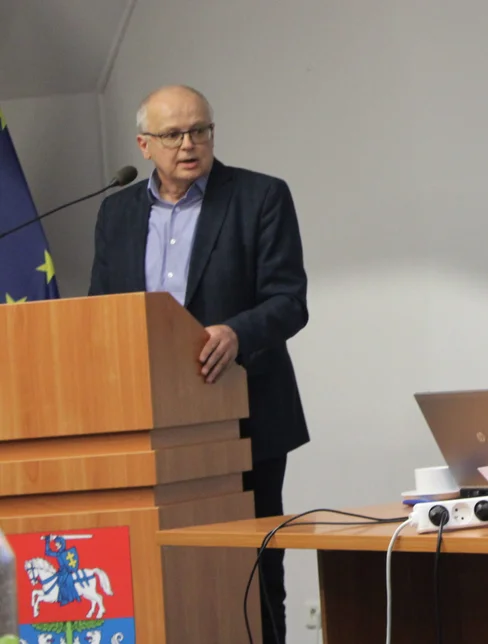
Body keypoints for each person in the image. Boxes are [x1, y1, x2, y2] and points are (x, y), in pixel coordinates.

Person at [88, 85, 309, 644]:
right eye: (173, 134)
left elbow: (289, 300)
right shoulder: (116, 212)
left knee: (254, 571)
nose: (189, 144)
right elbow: (100, 312)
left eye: (200, 130)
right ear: (144, 144)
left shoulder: (260, 196)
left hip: (246, 415)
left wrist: (236, 333)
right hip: (146, 427)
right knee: (164, 571)